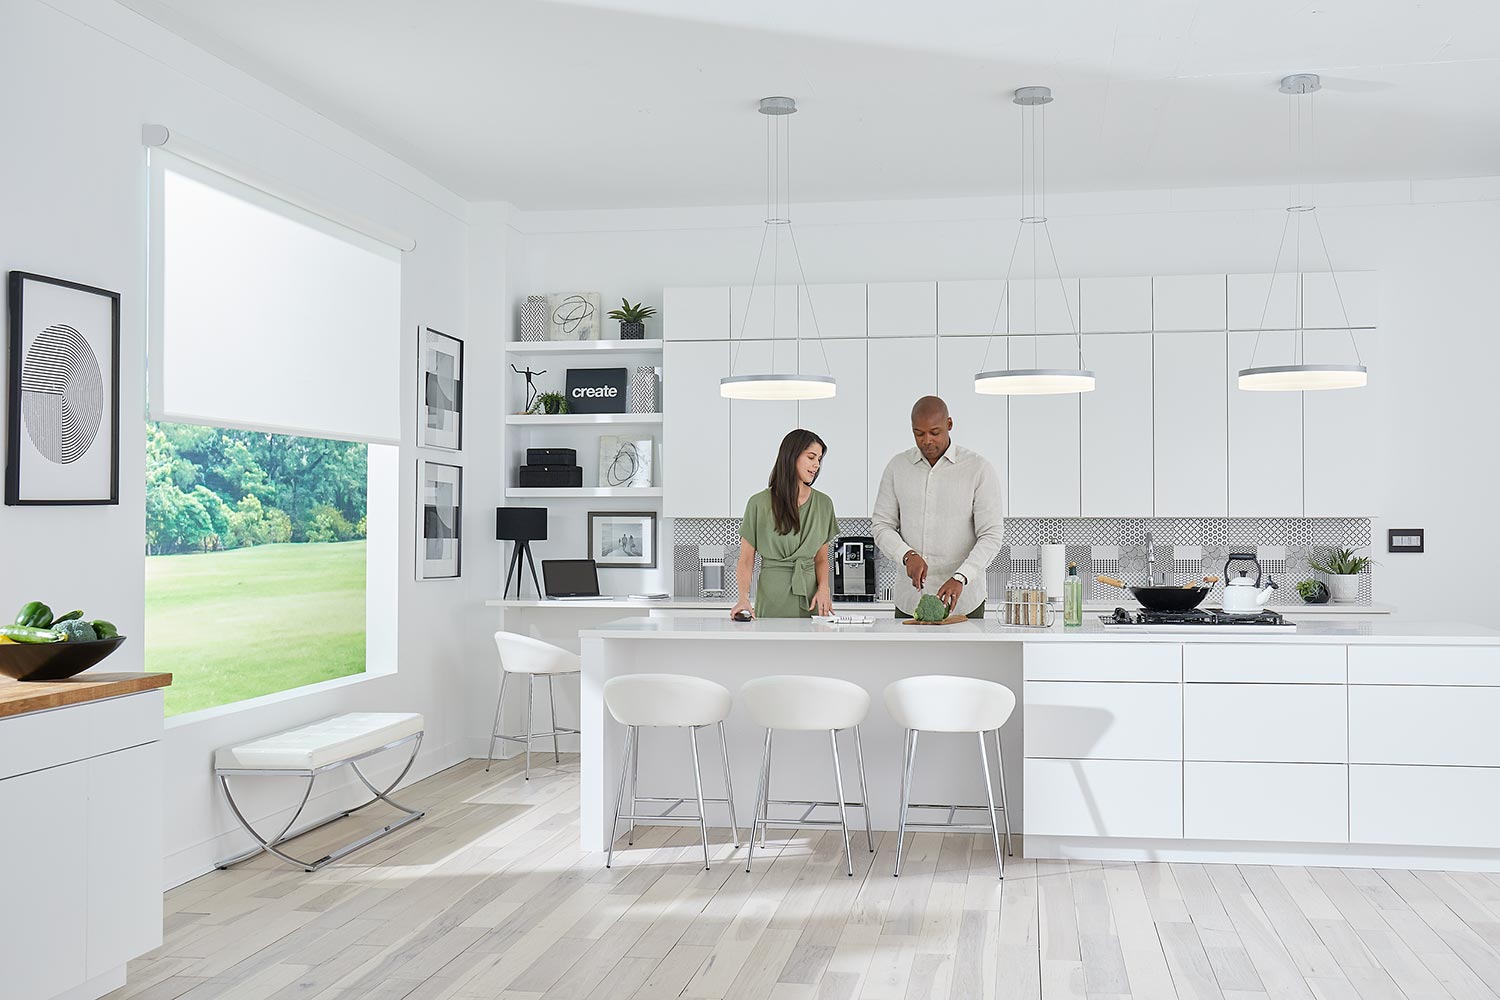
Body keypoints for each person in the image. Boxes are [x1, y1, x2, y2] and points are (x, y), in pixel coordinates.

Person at [873, 395, 1005, 619]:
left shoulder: (978, 469)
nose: (926, 440)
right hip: (910, 602)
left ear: (949, 425)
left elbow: (991, 535)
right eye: (919, 433)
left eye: (934, 432)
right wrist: (907, 555)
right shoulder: (897, 467)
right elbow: (881, 525)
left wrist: (961, 577)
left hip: (964, 603)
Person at [731, 429, 837, 619]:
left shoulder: (824, 504)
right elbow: (746, 560)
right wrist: (743, 597)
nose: (816, 465)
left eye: (819, 459)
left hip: (811, 598)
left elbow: (821, 559)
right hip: (772, 598)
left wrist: (824, 590)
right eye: (811, 457)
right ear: (791, 456)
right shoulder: (758, 503)